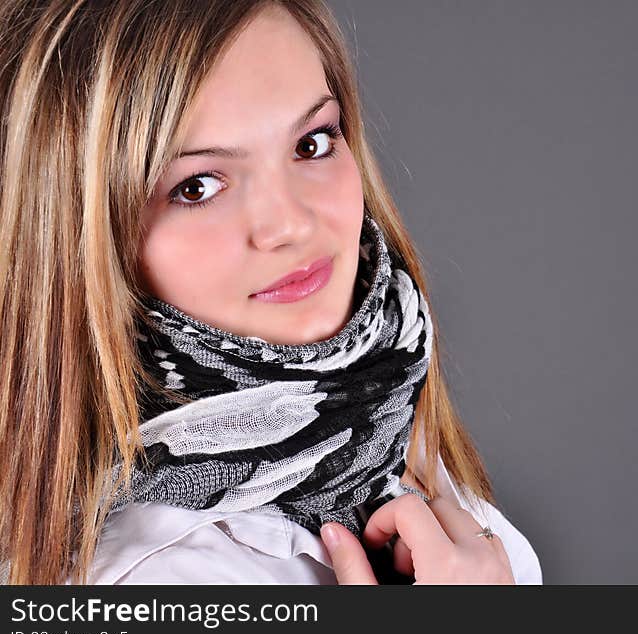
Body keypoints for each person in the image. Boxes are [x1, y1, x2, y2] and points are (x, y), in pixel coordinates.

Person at [0, 0, 541, 585]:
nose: (290, 226)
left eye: (310, 143)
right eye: (197, 186)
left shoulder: (384, 432)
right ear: (77, 241)